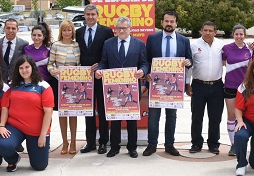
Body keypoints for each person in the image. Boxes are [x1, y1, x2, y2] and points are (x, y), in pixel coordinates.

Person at [95, 16, 148, 158]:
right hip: (114, 88)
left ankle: (132, 147)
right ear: (115, 29)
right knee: (115, 118)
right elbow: (103, 62)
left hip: (132, 88)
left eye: (124, 28)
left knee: (131, 119)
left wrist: (142, 71)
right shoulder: (108, 43)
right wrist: (99, 70)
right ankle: (114, 147)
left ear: (130, 29)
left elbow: (144, 63)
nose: (121, 30)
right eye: (119, 28)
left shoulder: (139, 44)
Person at [143, 11, 192, 157]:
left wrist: (188, 62)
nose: (169, 24)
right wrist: (147, 74)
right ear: (162, 22)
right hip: (156, 85)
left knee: (171, 116)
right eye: (166, 21)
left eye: (172, 21)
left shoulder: (184, 40)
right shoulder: (152, 38)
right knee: (153, 116)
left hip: (174, 87)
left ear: (176, 23)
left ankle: (169, 145)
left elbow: (190, 59)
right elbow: (146, 60)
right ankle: (152, 145)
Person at [0, 55, 54, 172]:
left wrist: (43, 135)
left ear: (33, 68)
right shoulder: (12, 85)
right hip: (15, 126)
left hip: (36, 130)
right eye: (21, 68)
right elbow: (5, 107)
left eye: (27, 67)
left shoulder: (43, 86)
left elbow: (48, 113)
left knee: (39, 166)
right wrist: (2, 126)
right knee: (3, 145)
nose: (24, 70)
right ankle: (13, 160)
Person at [75, 4, 114, 154]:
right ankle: (90, 142)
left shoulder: (106, 31)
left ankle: (103, 142)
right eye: (88, 14)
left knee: (103, 110)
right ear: (84, 16)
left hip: (101, 76)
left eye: (93, 14)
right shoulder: (78, 32)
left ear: (98, 16)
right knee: (88, 111)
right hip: (84, 78)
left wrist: (103, 65)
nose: (90, 17)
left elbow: (111, 51)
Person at [186, 21, 224, 155]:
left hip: (217, 86)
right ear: (201, 31)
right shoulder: (193, 45)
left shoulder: (221, 45)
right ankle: (196, 143)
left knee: (215, 117)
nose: (208, 33)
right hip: (198, 85)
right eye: (205, 30)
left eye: (210, 30)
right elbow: (189, 66)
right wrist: (187, 83)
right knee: (197, 117)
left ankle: (213, 143)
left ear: (215, 32)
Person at [48, 20, 80, 155]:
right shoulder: (55, 45)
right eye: (64, 30)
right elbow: (50, 64)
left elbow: (80, 64)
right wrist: (52, 71)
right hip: (59, 83)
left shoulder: (77, 45)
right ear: (61, 32)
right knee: (62, 114)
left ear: (73, 31)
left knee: (73, 113)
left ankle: (73, 141)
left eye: (69, 30)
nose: (67, 33)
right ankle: (64, 142)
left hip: (74, 84)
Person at [222, 24, 252, 156]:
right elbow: (222, 63)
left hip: (246, 89)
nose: (239, 37)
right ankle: (234, 145)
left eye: (241, 34)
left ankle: (243, 143)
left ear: (245, 35)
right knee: (232, 115)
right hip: (230, 87)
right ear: (233, 35)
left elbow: (252, 68)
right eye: (236, 34)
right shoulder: (226, 48)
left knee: (246, 116)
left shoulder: (251, 49)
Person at [0, 18, 29, 84]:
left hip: (17, 80)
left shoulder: (24, 44)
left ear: (17, 29)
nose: (10, 31)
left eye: (13, 28)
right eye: (8, 28)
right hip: (0, 80)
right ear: (4, 29)